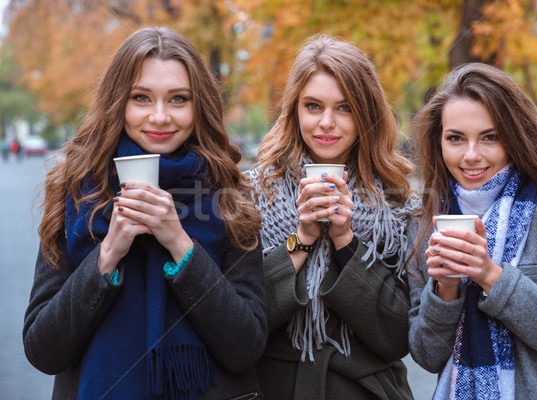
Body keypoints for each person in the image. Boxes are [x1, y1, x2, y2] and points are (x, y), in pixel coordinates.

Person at [23, 27, 267, 400]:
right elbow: (44, 349)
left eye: (178, 99)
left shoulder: (229, 194)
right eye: (141, 98)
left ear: (198, 105)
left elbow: (245, 346)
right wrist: (109, 254)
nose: (159, 116)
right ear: (118, 102)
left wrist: (180, 244)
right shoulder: (76, 192)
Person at [408, 62, 537, 399]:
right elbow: (426, 355)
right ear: (438, 142)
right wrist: (445, 289)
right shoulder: (425, 223)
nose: (471, 155)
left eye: (489, 137)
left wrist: (489, 275)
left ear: (513, 138)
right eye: (455, 138)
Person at [246, 34, 421, 399]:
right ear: (294, 109)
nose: (327, 122)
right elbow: (242, 321)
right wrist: (303, 237)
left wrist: (345, 239)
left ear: (367, 114)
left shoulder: (400, 203)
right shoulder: (254, 194)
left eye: (344, 108)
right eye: (313, 106)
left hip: (367, 389)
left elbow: (399, 334)